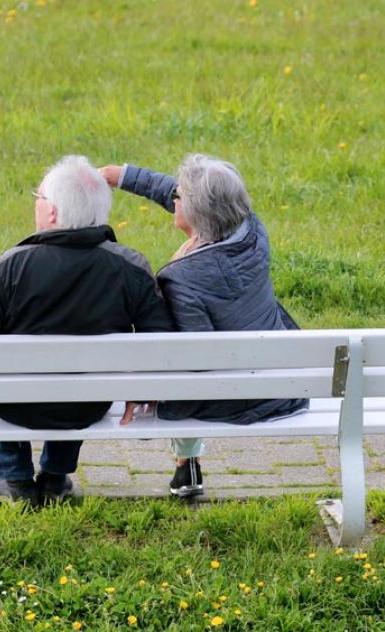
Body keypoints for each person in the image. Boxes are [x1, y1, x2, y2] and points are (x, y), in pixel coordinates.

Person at [0, 155, 173, 505]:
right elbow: (159, 335)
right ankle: (56, 478)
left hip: (16, 404)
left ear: (54, 212)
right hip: (88, 404)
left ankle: (15, 478)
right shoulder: (130, 267)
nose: (36, 206)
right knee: (82, 376)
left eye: (38, 198)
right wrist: (142, 386)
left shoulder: (10, 267)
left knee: (3, 370)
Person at [100, 155, 307, 498]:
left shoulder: (183, 279)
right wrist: (122, 176)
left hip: (241, 398)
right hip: (280, 378)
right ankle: (186, 464)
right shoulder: (251, 229)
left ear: (195, 214)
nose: (172, 198)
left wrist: (158, 406)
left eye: (178, 197)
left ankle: (186, 460)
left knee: (175, 374)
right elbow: (189, 195)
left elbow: (195, 365)